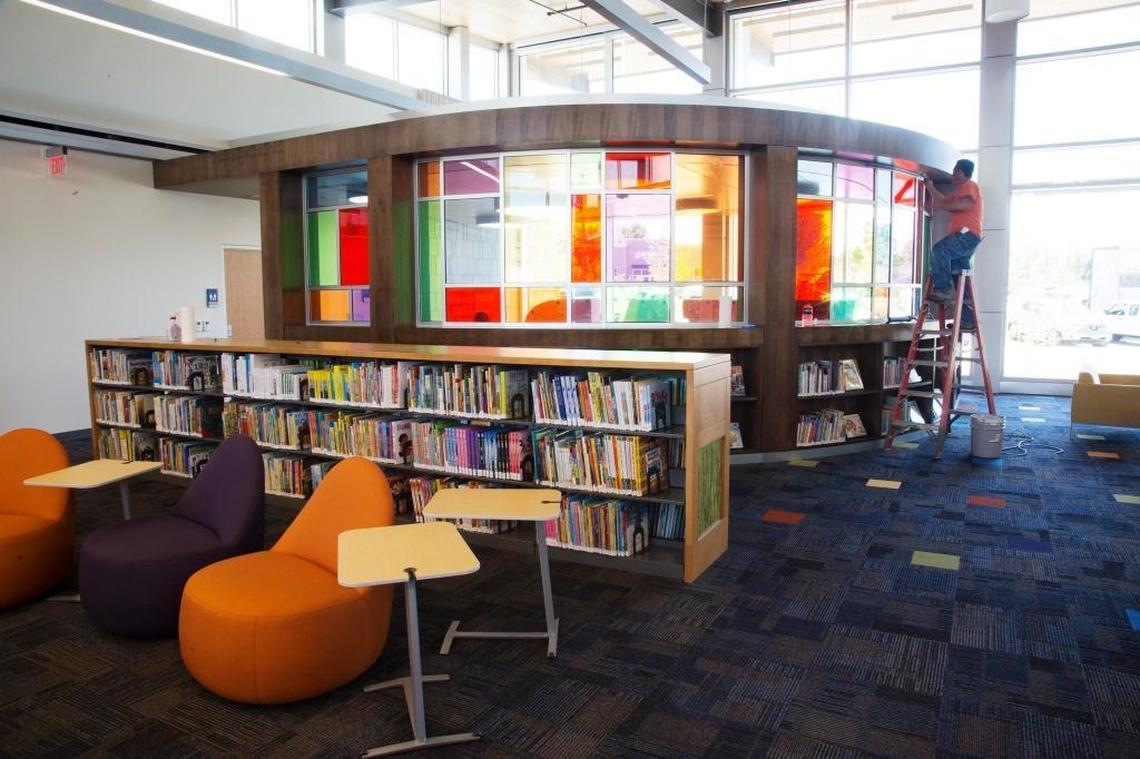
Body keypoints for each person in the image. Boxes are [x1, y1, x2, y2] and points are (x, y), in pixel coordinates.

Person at [924, 159, 983, 314]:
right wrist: (930, 187)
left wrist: (939, 206)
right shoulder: (959, 193)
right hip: (967, 237)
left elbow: (964, 205)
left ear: (962, 172)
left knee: (940, 250)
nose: (953, 175)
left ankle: (942, 290)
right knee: (959, 275)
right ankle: (967, 318)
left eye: (955, 171)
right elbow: (942, 200)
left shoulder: (970, 185)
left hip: (967, 235)